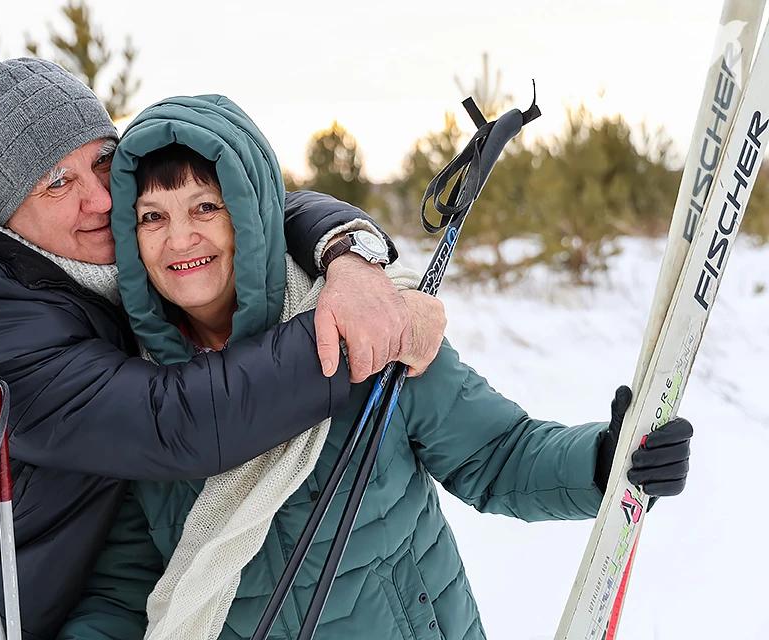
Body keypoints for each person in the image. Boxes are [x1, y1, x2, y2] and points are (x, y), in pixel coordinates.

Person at [0, 59, 449, 640]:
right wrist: (358, 333)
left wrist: (349, 260)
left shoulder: (82, 250)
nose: (99, 198)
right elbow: (175, 423)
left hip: (45, 574)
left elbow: (249, 203)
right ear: (6, 216)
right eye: (56, 184)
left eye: (100, 162)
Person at [58, 95, 694, 640]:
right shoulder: (142, 400)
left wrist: (604, 463)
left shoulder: (367, 329)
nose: (179, 238)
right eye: (152, 218)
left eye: (206, 208)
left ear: (250, 217)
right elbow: (130, 586)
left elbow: (498, 455)